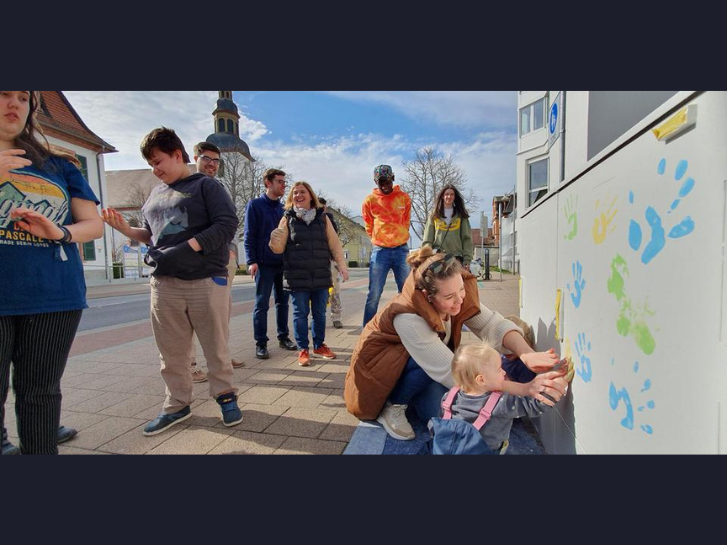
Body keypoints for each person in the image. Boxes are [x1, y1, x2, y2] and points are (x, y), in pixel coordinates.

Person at [102, 127, 243, 436]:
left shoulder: (206, 186)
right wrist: (126, 230)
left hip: (206, 280)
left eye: (158, 161)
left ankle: (225, 396)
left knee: (215, 347)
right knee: (172, 352)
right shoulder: (154, 195)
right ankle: (177, 404)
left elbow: (226, 225)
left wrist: (187, 247)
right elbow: (152, 236)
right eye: (151, 164)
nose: (155, 170)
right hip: (164, 285)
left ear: (177, 155)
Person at [344, 246, 565, 441]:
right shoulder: (408, 318)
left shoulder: (455, 292)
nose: (460, 299)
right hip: (379, 375)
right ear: (427, 296)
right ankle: (393, 404)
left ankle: (416, 394)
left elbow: (491, 323)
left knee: (480, 404)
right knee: (458, 415)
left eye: (461, 289)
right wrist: (524, 390)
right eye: (450, 297)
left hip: (427, 365)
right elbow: (454, 373)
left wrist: (526, 354)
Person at [0, 91, 104, 454]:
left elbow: (92, 225)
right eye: (3, 94)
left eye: (23, 98)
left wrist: (60, 232)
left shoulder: (58, 165)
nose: (14, 104)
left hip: (54, 294)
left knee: (40, 396)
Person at [431, 342, 567, 454]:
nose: (504, 372)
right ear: (481, 380)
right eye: (498, 369)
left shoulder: (449, 397)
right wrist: (557, 386)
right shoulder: (501, 404)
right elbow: (535, 406)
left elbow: (444, 421)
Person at [269, 182, 349, 366]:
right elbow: (278, 249)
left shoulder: (323, 218)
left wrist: (342, 266)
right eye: (295, 193)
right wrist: (274, 239)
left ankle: (320, 345)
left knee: (320, 313)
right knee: (300, 313)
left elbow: (334, 244)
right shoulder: (287, 218)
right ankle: (303, 349)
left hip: (320, 273)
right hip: (297, 275)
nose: (298, 195)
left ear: (310, 195)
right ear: (291, 197)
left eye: (302, 192)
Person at [187, 141, 245, 383]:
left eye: (215, 161)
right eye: (205, 158)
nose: (211, 164)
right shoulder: (187, 187)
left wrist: (230, 249)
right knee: (190, 315)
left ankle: (221, 356)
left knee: (221, 311)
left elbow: (227, 221)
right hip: (196, 260)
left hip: (221, 258)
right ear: (195, 158)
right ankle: (190, 365)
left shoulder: (218, 186)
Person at [243, 168, 298, 359]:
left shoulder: (285, 210)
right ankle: (261, 343)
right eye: (280, 182)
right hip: (264, 264)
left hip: (282, 264)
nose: (284, 185)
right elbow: (250, 235)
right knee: (261, 304)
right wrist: (251, 261)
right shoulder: (255, 205)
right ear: (268, 183)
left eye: (284, 182)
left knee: (283, 303)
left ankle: (283, 337)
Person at [361, 164, 411, 327]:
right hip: (380, 251)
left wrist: (400, 234)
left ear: (393, 179)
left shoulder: (403, 197)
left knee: (406, 292)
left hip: (401, 250)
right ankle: (367, 333)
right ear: (375, 182)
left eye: (387, 182)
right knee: (374, 294)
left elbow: (406, 220)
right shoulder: (369, 200)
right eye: (380, 183)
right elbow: (368, 224)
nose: (384, 186)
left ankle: (407, 328)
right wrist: (378, 238)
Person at [422, 184, 473, 268]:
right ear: (442, 196)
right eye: (446, 194)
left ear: (455, 197)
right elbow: (427, 239)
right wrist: (426, 256)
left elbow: (466, 239)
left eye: (452, 194)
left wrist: (467, 260)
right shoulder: (434, 215)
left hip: (456, 258)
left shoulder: (461, 216)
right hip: (438, 258)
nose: (449, 196)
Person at [318, 197, 343, 329]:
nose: (320, 210)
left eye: (322, 207)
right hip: (316, 262)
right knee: (316, 293)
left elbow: (335, 242)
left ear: (325, 208)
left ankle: (336, 317)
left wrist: (338, 262)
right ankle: (315, 318)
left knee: (335, 291)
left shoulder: (330, 221)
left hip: (329, 261)